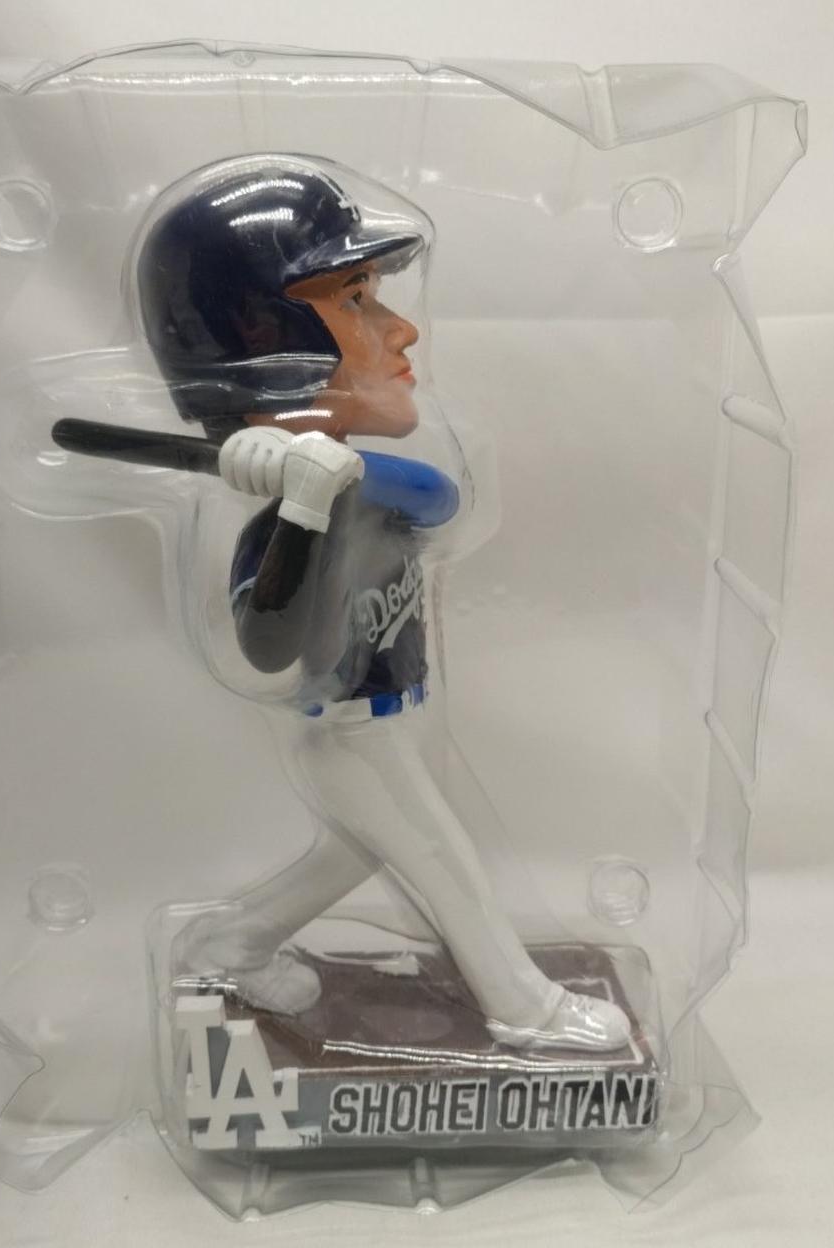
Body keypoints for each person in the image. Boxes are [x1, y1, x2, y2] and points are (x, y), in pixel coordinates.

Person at [133, 154, 630, 1051]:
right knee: (443, 861)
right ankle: (525, 1008)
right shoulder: (278, 520)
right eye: (357, 300)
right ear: (267, 335)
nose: (400, 330)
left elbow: (441, 500)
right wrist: (299, 506)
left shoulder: (361, 481)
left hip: (388, 717)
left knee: (351, 856)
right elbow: (266, 652)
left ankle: (228, 945)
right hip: (348, 731)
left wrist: (334, 468)